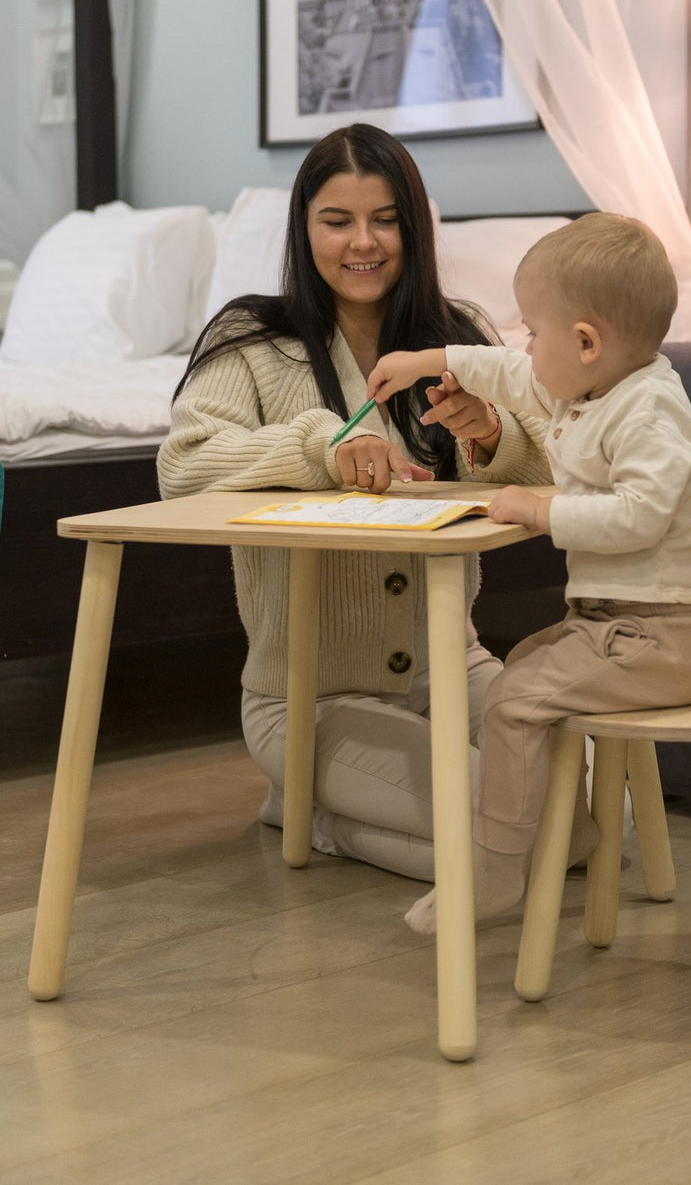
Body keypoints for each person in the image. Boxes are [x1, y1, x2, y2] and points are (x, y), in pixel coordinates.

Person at [158, 123, 552, 880]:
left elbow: (549, 461)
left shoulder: (459, 336)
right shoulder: (250, 337)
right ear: (304, 229)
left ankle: (312, 812)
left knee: (605, 812)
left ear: (415, 227)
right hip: (307, 698)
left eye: (385, 220)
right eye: (336, 221)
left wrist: (493, 433)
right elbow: (183, 466)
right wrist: (320, 449)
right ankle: (320, 806)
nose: (361, 243)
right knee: (523, 838)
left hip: (453, 673)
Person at [367, 212, 691, 932]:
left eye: (534, 332)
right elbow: (508, 374)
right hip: (624, 627)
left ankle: (498, 865)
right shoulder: (591, 389)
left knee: (513, 701)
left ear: (586, 342)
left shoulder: (648, 413)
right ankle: (568, 829)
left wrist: (542, 508)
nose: (525, 348)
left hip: (670, 638)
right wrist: (427, 359)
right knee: (524, 667)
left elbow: (639, 516)